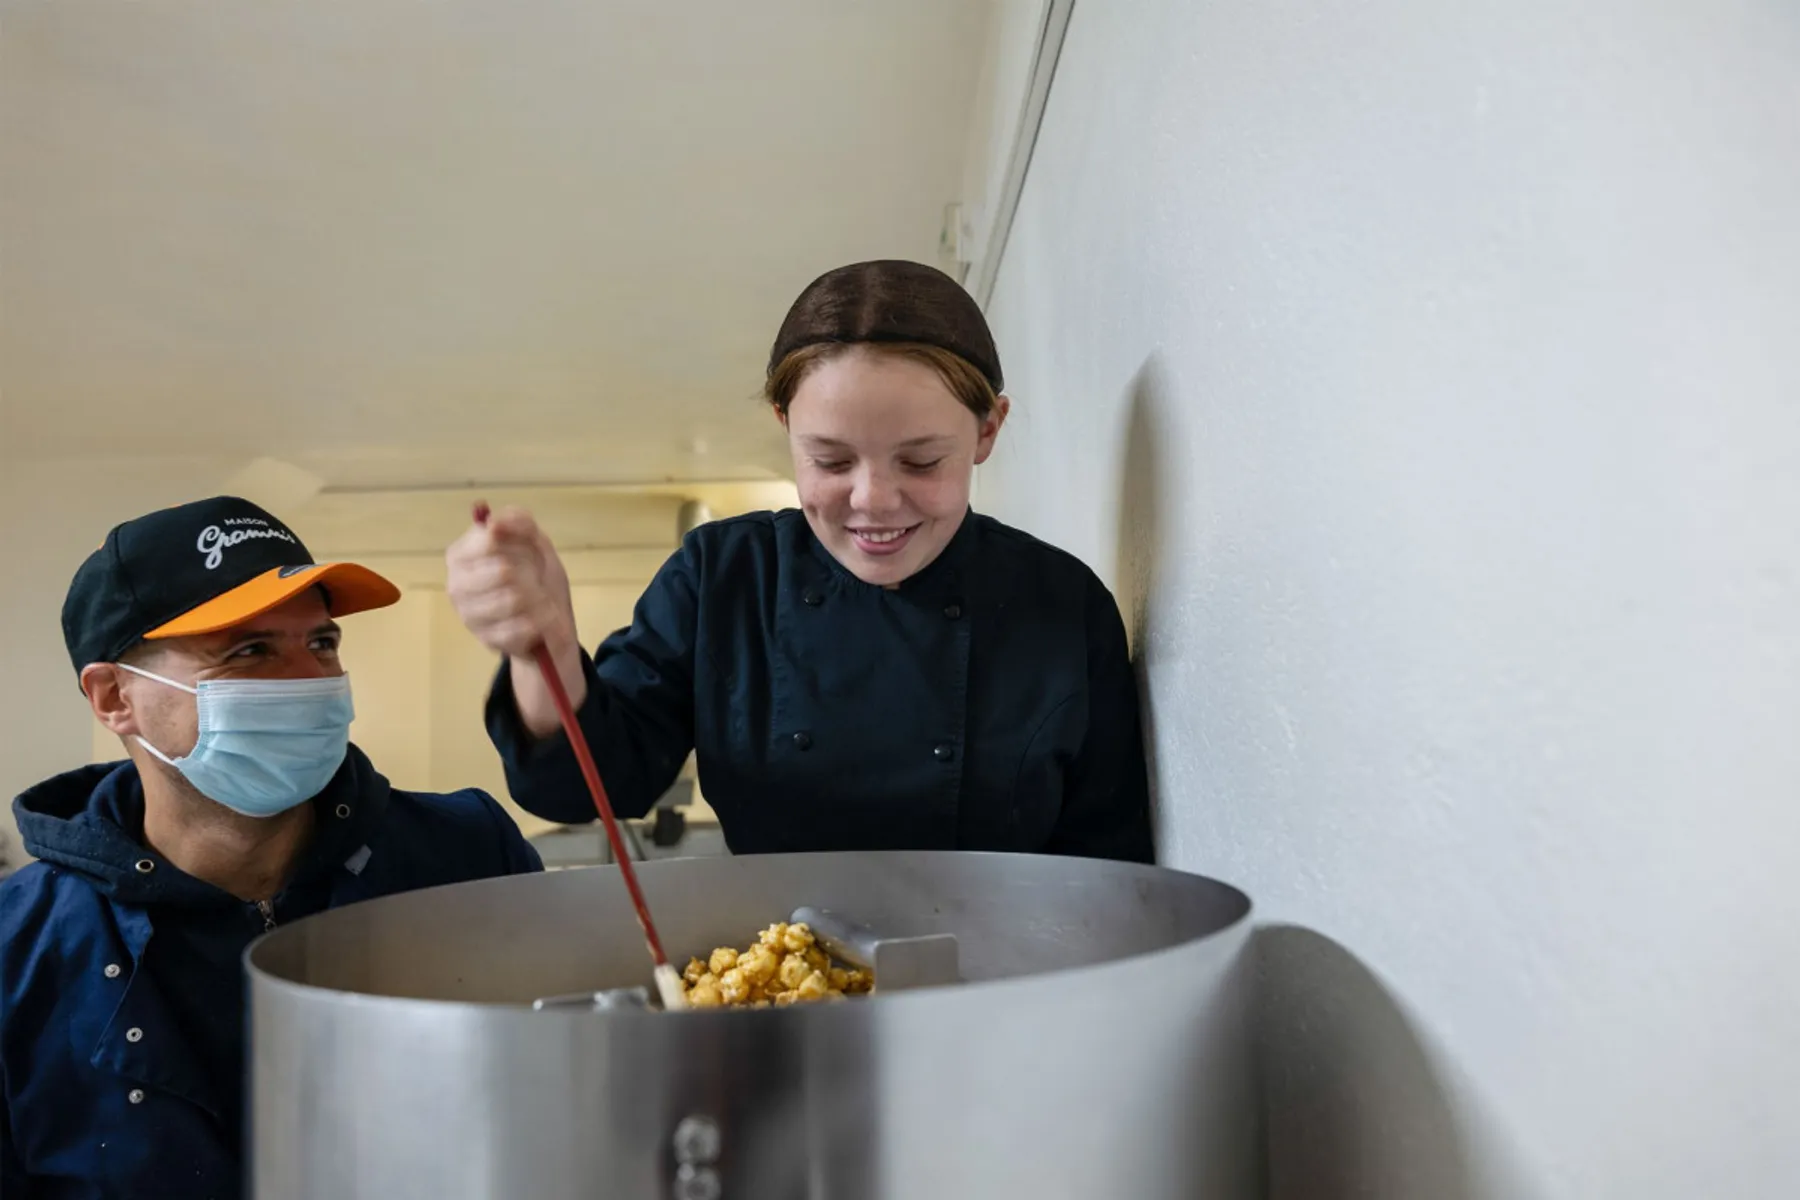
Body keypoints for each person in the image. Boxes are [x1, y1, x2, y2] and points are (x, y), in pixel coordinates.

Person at [448, 259, 1154, 861]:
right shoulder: (722, 578)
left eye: (920, 459)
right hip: (786, 985)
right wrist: (543, 649)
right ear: (786, 426)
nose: (873, 500)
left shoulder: (1063, 605)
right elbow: (587, 786)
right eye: (831, 460)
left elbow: (1111, 867)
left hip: (1004, 993)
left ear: (988, 430)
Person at [0, 496, 543, 1199]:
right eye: (249, 651)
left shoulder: (466, 859)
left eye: (321, 643)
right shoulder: (22, 949)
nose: (311, 683)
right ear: (113, 698)